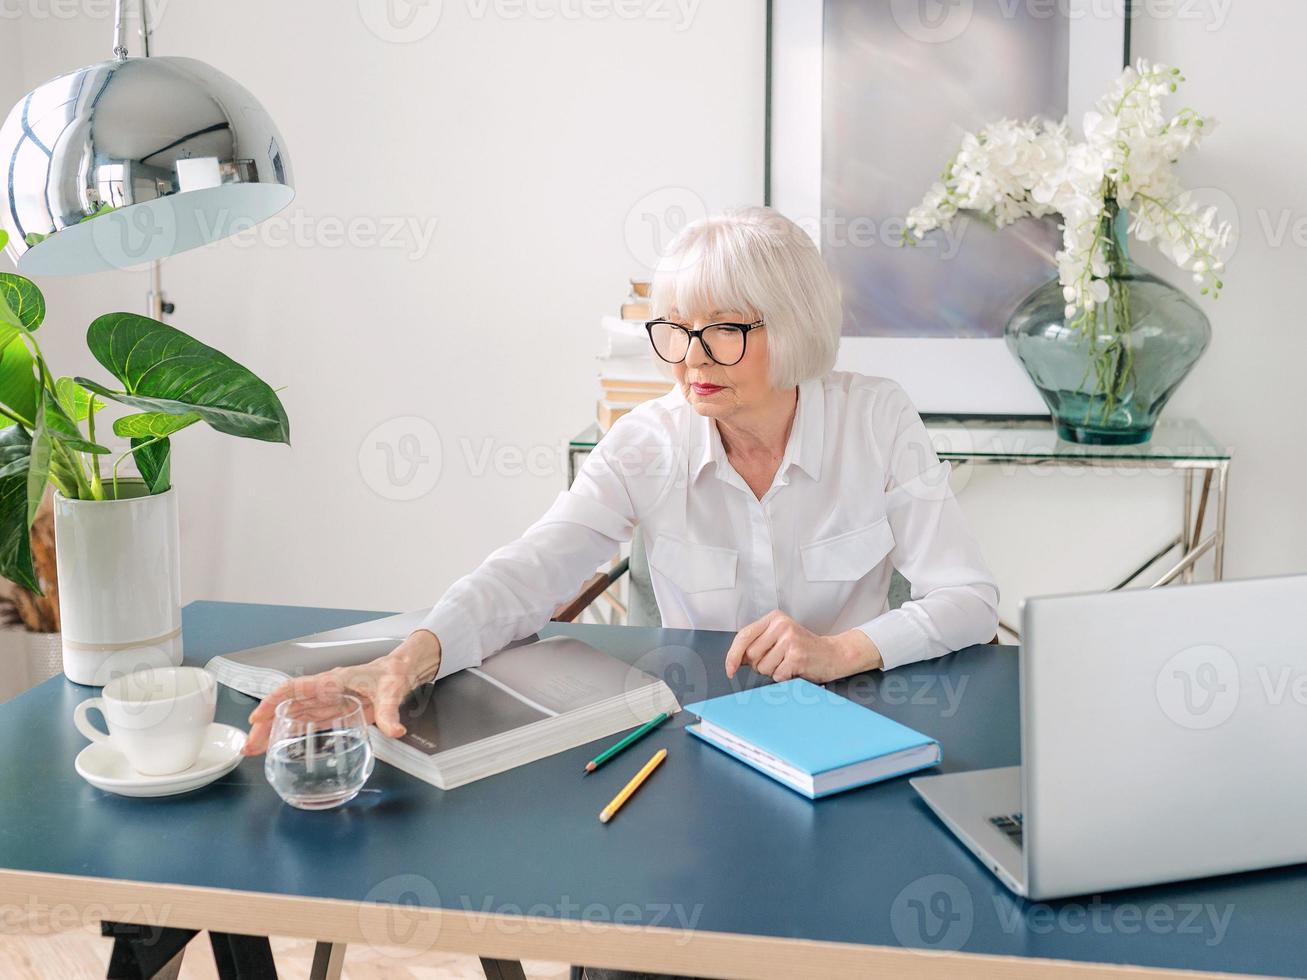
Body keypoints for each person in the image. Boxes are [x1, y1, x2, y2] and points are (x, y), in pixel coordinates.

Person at [241, 205, 999, 980]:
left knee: (852, 937)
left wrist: (840, 649)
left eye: (724, 330)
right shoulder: (647, 442)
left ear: (794, 324)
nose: (689, 359)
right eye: (674, 328)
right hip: (698, 752)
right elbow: (531, 567)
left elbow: (968, 599)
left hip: (851, 749)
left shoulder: (873, 418)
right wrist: (408, 658)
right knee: (625, 955)